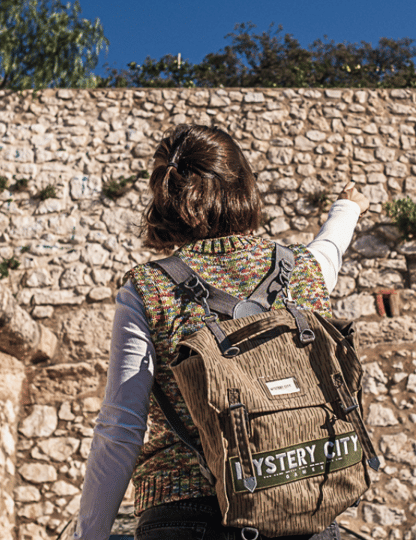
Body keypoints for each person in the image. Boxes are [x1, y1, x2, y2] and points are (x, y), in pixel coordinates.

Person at [75, 124, 371, 540]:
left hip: (184, 513)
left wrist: (88, 535)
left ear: (163, 199)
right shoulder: (302, 271)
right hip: (306, 501)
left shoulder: (147, 287)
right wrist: (348, 207)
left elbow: (121, 426)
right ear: (243, 185)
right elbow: (330, 249)